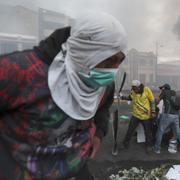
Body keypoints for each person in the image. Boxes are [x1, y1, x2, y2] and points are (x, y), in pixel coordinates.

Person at [0, 12, 127, 180]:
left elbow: (103, 108)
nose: (113, 70)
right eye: (109, 60)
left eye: (119, 61)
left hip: (77, 170)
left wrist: (99, 134)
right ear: (86, 51)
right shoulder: (18, 71)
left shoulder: (105, 84)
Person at [121, 80, 156, 152]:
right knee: (130, 130)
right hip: (136, 115)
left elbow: (152, 101)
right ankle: (125, 144)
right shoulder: (133, 91)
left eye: (135, 88)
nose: (134, 90)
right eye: (133, 88)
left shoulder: (146, 90)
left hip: (145, 116)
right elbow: (130, 97)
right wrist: (123, 97)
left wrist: (153, 111)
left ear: (139, 87)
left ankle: (148, 146)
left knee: (147, 132)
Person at [154, 84, 180, 154]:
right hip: (176, 116)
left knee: (160, 131)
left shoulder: (164, 92)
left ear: (164, 88)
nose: (161, 89)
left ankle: (157, 149)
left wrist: (160, 94)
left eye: (162, 88)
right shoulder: (174, 93)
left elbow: (157, 101)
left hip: (167, 115)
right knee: (177, 132)